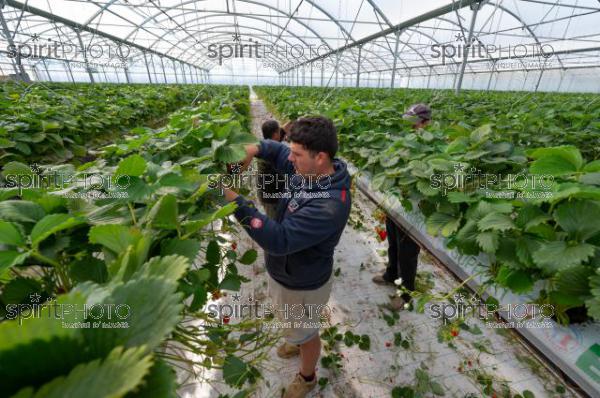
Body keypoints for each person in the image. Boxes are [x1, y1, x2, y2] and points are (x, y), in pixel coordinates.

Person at [221, 116, 351, 398]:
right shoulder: (307, 170)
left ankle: (307, 376)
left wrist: (235, 201)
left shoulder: (329, 205)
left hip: (302, 283)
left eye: (297, 154)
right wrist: (251, 150)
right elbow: (275, 149)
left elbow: (279, 240)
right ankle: (297, 339)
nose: (289, 157)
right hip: (287, 273)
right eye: (291, 150)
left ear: (321, 157)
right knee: (297, 325)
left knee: (307, 331)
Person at [372, 103, 432, 311]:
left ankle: (406, 295)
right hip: (397, 203)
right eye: (408, 122)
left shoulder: (434, 147)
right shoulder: (404, 141)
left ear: (426, 123)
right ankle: (391, 274)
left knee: (408, 252)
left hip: (415, 209)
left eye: (414, 123)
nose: (410, 126)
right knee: (393, 242)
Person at [256, 119, 286, 219]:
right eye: (279, 131)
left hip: (268, 195)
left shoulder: (265, 146)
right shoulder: (271, 156)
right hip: (271, 198)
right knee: (276, 223)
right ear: (275, 134)